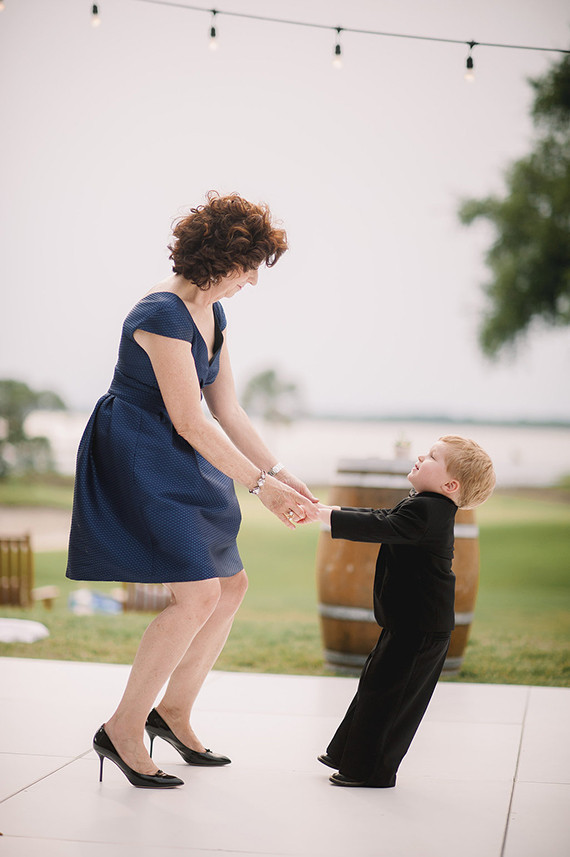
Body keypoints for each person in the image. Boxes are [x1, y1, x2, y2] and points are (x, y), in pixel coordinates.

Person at [66, 191, 319, 789]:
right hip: (139, 452)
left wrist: (280, 472)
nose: (252, 280)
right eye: (248, 266)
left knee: (231, 585)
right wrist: (260, 488)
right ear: (219, 258)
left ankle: (172, 714)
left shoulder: (214, 313)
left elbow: (226, 409)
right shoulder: (160, 313)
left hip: (181, 450)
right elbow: (189, 419)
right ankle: (123, 729)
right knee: (198, 594)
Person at [312, 435, 495, 788]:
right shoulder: (425, 505)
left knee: (391, 699)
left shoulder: (429, 510)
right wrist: (327, 513)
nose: (421, 457)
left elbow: (380, 526)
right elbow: (381, 517)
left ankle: (370, 771)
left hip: (421, 628)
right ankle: (346, 753)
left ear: (450, 485)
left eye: (433, 457)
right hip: (410, 623)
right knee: (375, 685)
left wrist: (324, 515)